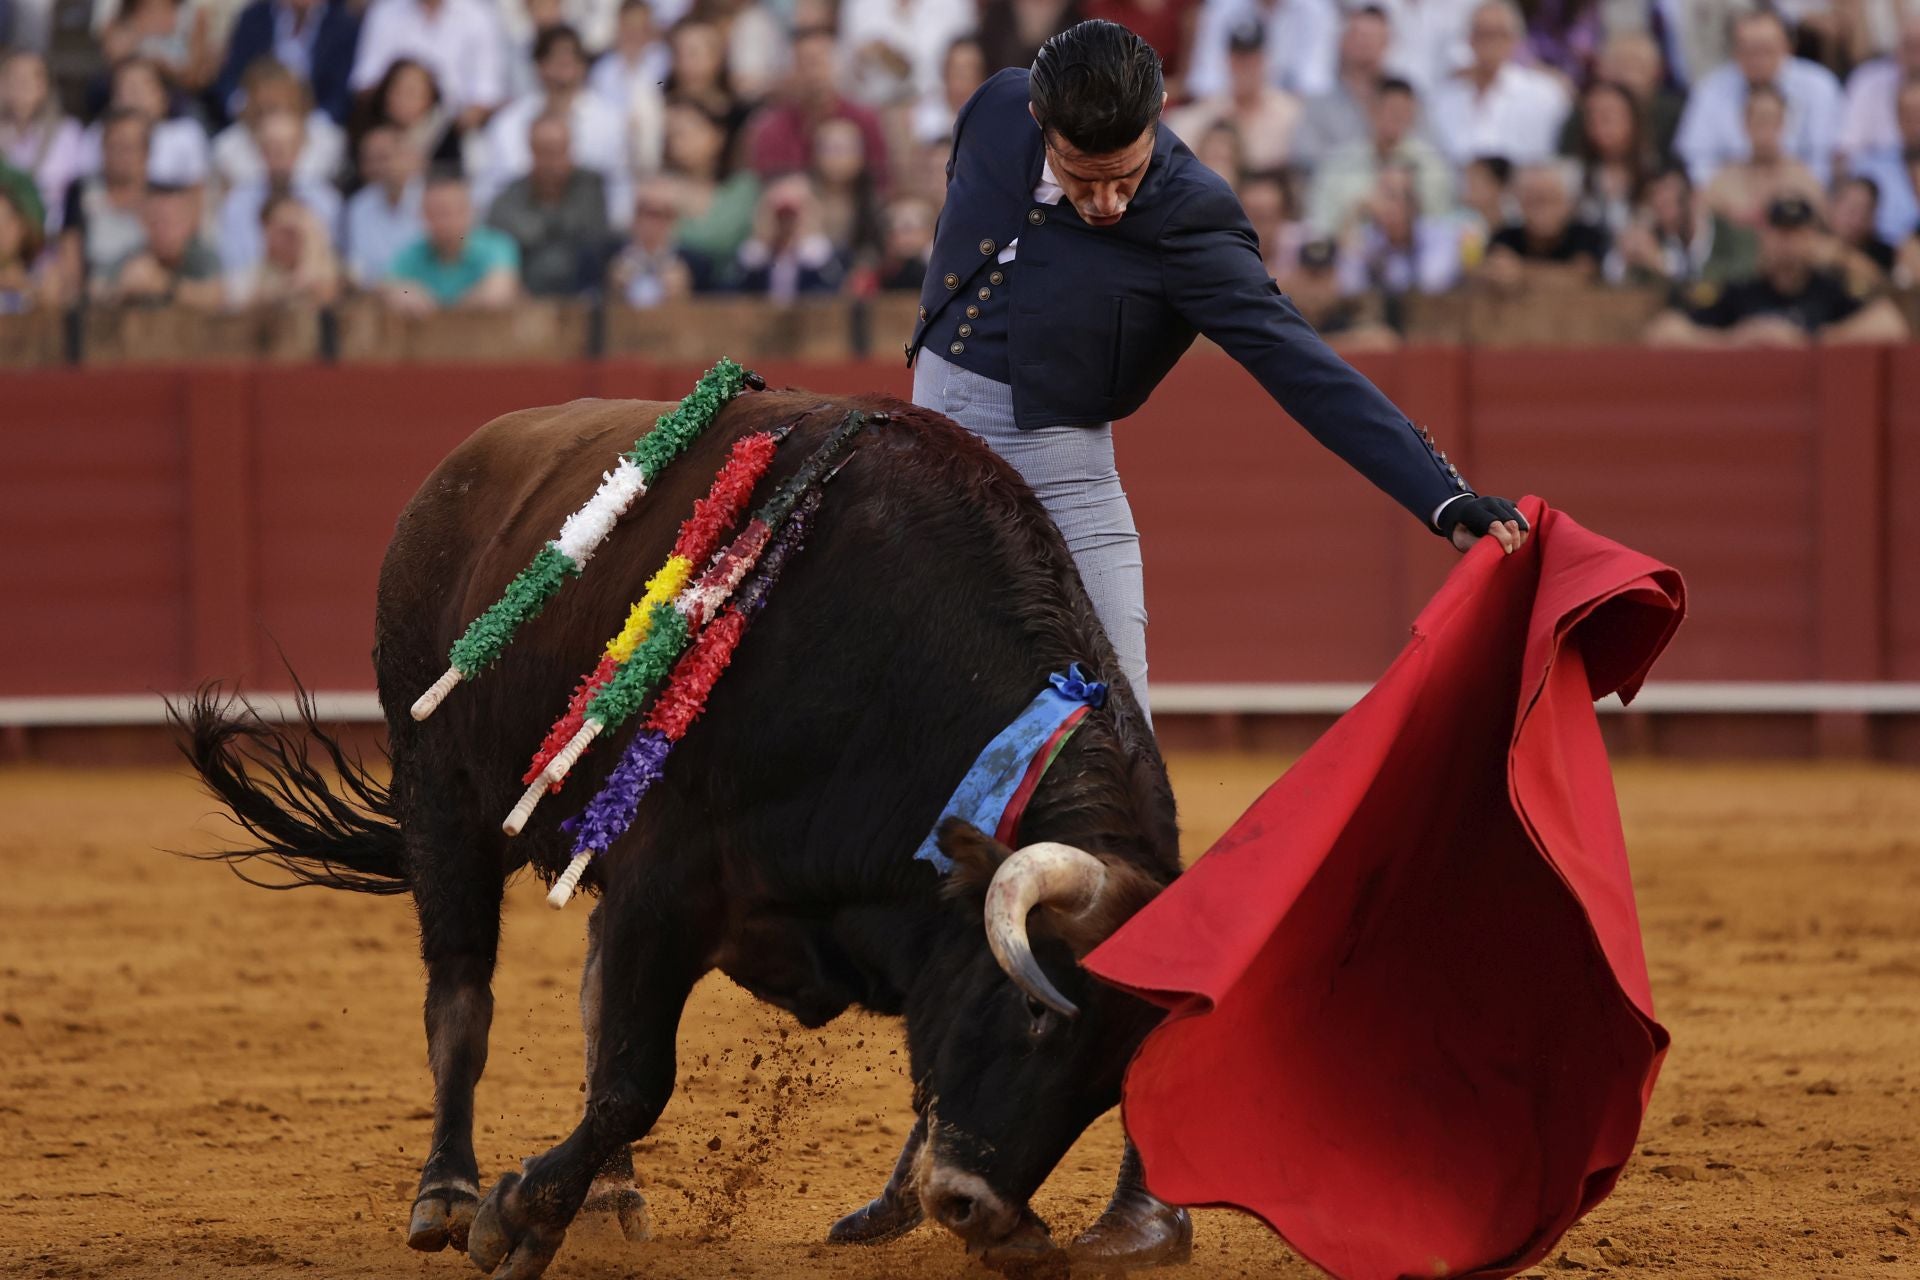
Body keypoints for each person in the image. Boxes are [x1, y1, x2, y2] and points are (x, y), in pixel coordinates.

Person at [864, 21, 1530, 1267]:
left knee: (1120, 836)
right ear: (1040, 126)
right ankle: (942, 1134)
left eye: (1127, 173)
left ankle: (1153, 1187)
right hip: (929, 480)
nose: (1109, 202)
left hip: (1063, 484)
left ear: (1160, 126)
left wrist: (1442, 497)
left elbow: (1301, 365)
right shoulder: (996, 109)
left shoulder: (1193, 218)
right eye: (1085, 177)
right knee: (935, 815)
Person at [1646, 192, 1907, 346]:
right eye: (1780, 234)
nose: (1787, 245)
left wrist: (1810, 339)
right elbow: (1663, 332)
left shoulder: (1830, 290)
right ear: (1765, 239)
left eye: (1796, 234)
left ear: (1812, 239)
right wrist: (1736, 339)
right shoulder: (1740, 290)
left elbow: (1891, 325)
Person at [1674, 9, 1843, 188]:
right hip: (1732, 194)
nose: (1758, 59)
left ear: (1788, 47)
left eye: (1766, 50)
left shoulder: (1819, 85)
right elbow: (1696, 157)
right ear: (1735, 52)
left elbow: (1825, 157)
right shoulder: (1711, 89)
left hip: (1800, 191)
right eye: (1749, 50)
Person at [476, 24, 628, 221]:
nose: (562, 69)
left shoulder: (610, 122)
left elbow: (619, 191)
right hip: (522, 226)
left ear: (582, 66)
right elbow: (491, 189)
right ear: (539, 66)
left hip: (588, 227)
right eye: (554, 59)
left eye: (570, 59)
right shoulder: (507, 123)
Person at [1427, 0, 1570, 170]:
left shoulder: (1544, 95)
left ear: (1515, 40)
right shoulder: (1445, 99)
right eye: (1482, 34)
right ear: (1470, 39)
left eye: (1499, 34)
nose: (1490, 43)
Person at [748, 26, 891, 193]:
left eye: (822, 61)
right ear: (791, 71)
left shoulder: (865, 120)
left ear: (838, 66)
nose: (815, 73)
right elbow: (768, 189)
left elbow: (882, 183)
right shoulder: (773, 129)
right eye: (805, 63)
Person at [1308, 74, 1453, 235]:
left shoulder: (1431, 167)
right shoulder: (1338, 164)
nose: (1396, 118)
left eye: (1403, 112)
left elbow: (1438, 227)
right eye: (1391, 110)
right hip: (1349, 246)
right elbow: (1320, 226)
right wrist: (1359, 210)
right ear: (1371, 110)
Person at [485, 110, 610, 294]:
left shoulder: (591, 188)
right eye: (545, 151)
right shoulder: (508, 199)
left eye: (559, 150)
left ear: (570, 149)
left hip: (585, 296)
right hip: (524, 299)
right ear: (531, 151)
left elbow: (596, 240)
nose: (552, 162)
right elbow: (497, 251)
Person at [215, 108, 341, 289]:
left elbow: (328, 259)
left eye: (287, 146)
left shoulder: (326, 200)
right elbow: (235, 266)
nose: (279, 154)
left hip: (312, 288)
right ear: (260, 150)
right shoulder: (237, 203)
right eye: (272, 147)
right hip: (256, 291)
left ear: (300, 148)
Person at [1166, 18, 1302, 173]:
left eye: (1252, 59)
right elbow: (1179, 128)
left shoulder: (1289, 112)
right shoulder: (1212, 109)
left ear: (1265, 61)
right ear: (1228, 61)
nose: (1245, 67)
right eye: (1238, 59)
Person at [349, 0, 506, 134]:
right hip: (388, 128)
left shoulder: (478, 17)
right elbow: (365, 83)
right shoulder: (384, 13)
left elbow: (485, 96)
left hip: (454, 130)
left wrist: (441, 132)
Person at [385, 169, 519, 310]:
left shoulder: (496, 246)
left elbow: (498, 291)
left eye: (453, 211)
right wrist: (405, 292)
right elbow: (389, 285)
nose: (446, 221)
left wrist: (448, 310)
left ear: (471, 211)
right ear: (423, 215)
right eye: (436, 212)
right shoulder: (413, 252)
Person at [212, 0, 362, 126]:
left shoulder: (343, 25)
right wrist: (242, 108)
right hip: (253, 119)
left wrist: (308, 126)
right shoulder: (254, 17)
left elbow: (340, 94)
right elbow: (231, 76)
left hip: (313, 123)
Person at [1699, 83, 1825, 231]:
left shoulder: (1803, 179)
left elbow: (1820, 229)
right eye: (1759, 119)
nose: (1765, 128)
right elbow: (1704, 228)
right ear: (1746, 124)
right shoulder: (1722, 181)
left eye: (1772, 119)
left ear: (1782, 123)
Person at [210, 58, 347, 191]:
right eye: (264, 105)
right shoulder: (226, 147)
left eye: (277, 104)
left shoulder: (327, 139)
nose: (269, 107)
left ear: (296, 98)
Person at [57, 107, 148, 297]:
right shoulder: (81, 193)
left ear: (146, 151)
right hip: (94, 300)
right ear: (102, 148)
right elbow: (69, 258)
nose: (121, 156)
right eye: (114, 146)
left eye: (129, 147)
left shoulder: (162, 197)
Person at [1293, 3, 1396, 166]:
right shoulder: (1318, 105)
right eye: (1359, 36)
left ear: (1387, 43)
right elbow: (1305, 158)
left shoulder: (1404, 99)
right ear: (1342, 41)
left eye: (1373, 37)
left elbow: (1428, 152)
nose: (1365, 44)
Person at [1479, 158, 1607, 288]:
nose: (1541, 210)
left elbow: (1580, 278)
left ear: (1570, 203)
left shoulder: (1588, 236)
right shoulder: (1504, 236)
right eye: (1532, 200)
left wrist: (1520, 272)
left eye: (1550, 199)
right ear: (1518, 201)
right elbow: (1491, 272)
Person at [662, 97, 759, 268]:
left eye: (689, 131)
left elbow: (731, 242)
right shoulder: (660, 189)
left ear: (717, 136)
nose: (678, 141)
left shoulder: (744, 188)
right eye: (672, 134)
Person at [94, 180, 222, 306]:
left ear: (189, 223)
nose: (163, 231)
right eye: (156, 222)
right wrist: (121, 290)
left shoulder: (200, 254)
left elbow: (215, 296)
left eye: (171, 222)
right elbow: (96, 289)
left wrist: (164, 285)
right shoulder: (136, 256)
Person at [839, 0, 980, 112]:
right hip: (875, 115)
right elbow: (842, 73)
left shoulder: (955, 5)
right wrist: (863, 58)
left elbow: (969, 63)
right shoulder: (858, 5)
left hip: (941, 115)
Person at [1185, 0, 1337, 100]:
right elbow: (1205, 81)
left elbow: (1316, 84)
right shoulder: (1221, 7)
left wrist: (1267, 103)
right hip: (1228, 107)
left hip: (1291, 112)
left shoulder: (1317, 9)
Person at [0, 49, 84, 228]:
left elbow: (76, 194)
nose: (21, 84)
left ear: (45, 85)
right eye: (13, 77)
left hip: (53, 232)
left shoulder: (68, 133)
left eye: (30, 78)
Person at [733, 171, 845, 299]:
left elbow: (835, 296)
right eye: (781, 217)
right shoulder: (753, 262)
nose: (787, 224)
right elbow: (731, 296)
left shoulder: (827, 260)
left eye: (792, 216)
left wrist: (816, 259)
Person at [585, 0, 665, 175]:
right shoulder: (601, 69)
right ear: (618, 27)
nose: (634, 34)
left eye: (641, 28)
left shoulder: (662, 62)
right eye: (629, 27)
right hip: (612, 150)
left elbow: (662, 88)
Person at [606, 174, 710, 304]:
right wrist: (611, 290)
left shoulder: (697, 265)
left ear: (675, 218)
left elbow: (716, 305)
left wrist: (685, 294)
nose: (652, 223)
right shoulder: (606, 258)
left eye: (663, 214)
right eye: (645, 211)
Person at [341, 121, 423, 285]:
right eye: (369, 160)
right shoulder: (358, 205)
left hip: (426, 294)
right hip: (374, 294)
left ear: (412, 157)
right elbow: (357, 267)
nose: (379, 167)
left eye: (385, 157)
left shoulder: (432, 198)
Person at [1568, 79, 1652, 237]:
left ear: (1632, 119)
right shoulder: (1571, 175)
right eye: (1592, 117)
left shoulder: (1654, 174)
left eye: (1608, 116)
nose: (1599, 124)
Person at [1286, 234, 1399, 349]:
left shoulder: (1346, 310)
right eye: (1312, 276)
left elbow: (1384, 339)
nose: (1317, 288)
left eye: (1325, 276)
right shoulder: (1285, 314)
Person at [348, 56, 458, 172]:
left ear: (430, 99)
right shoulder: (365, 128)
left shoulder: (447, 137)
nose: (401, 99)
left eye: (411, 92)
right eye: (397, 90)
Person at [1839, 9, 1920, 164]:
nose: (1916, 57)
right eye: (1910, 46)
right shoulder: (1867, 80)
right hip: (1877, 173)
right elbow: (1846, 149)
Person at [241, 188, 341, 304]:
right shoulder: (259, 279)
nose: (296, 238)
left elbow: (324, 292)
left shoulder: (334, 272)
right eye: (286, 231)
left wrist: (312, 253)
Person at [913, 34, 988, 143]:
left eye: (969, 71)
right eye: (956, 71)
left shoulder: (994, 118)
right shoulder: (926, 114)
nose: (962, 80)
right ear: (945, 74)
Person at [0, 176, 57, 311]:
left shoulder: (43, 274)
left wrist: (27, 286)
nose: (2, 232)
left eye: (7, 221)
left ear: (22, 226)